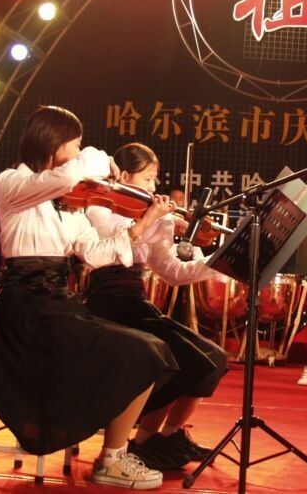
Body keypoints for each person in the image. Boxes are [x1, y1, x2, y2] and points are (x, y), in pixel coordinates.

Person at [0, 106, 178, 490]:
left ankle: (113, 456)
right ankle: (111, 458)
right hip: (26, 310)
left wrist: (144, 225)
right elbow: (69, 173)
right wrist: (98, 158)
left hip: (59, 304)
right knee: (138, 351)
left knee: (152, 350)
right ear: (52, 141)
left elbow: (96, 253)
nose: (78, 150)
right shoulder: (12, 182)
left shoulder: (70, 200)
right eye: (75, 142)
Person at [84, 143, 227, 470]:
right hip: (107, 305)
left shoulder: (154, 219)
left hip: (137, 303)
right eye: (147, 178)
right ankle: (141, 440)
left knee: (213, 358)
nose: (153, 187)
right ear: (123, 176)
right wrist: (156, 219)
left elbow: (174, 272)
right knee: (178, 357)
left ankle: (167, 435)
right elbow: (116, 239)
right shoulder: (99, 208)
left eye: (154, 179)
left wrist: (216, 261)